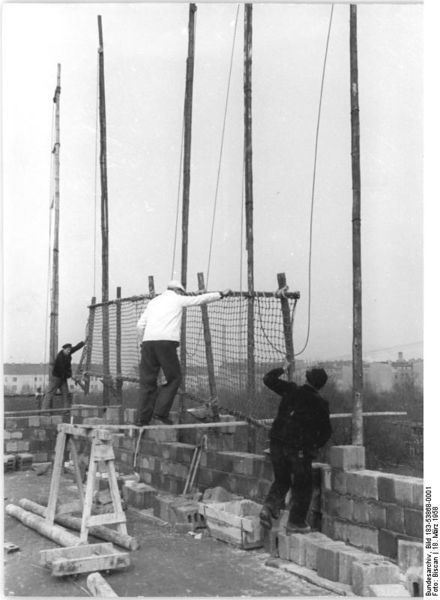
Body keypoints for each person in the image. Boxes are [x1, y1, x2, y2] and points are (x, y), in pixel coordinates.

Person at [136, 280, 231, 426]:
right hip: (166, 343)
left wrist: (143, 342)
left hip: (148, 344)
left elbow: (140, 325)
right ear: (179, 291)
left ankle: (142, 419)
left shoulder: (153, 302)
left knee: (147, 382)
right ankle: (160, 413)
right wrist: (220, 294)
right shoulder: (177, 298)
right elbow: (200, 299)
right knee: (174, 377)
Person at [259, 362, 331, 534]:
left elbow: (268, 379)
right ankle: (296, 522)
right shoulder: (320, 403)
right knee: (303, 485)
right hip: (298, 450)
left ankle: (268, 508)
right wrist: (312, 446)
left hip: (276, 444)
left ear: (307, 378)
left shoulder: (291, 389)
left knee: (282, 480)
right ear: (320, 385)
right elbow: (326, 432)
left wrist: (283, 367)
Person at [41, 341, 85, 409]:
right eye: (67, 350)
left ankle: (66, 412)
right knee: (49, 394)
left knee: (66, 395)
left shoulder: (68, 352)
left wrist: (83, 343)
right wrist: (71, 376)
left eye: (69, 350)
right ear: (63, 349)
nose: (69, 351)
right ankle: (43, 411)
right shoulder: (60, 358)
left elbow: (76, 348)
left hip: (63, 378)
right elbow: (62, 370)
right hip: (56, 378)